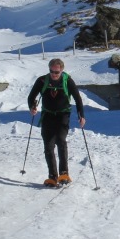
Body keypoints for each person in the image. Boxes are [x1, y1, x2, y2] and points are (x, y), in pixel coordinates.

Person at [27, 58, 85, 186]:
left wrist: (82, 115)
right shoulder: (42, 80)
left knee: (60, 140)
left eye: (56, 72)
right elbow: (31, 96)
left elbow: (77, 98)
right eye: (51, 71)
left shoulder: (67, 80)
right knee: (48, 145)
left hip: (62, 115)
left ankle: (64, 173)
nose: (54, 74)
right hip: (47, 115)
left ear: (61, 70)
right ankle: (52, 177)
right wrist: (32, 106)